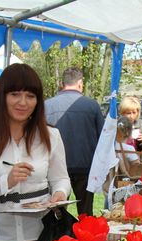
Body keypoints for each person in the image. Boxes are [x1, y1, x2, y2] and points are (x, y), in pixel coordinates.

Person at [0, 63, 71, 241]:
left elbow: (61, 178)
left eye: (30, 96)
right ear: (2, 96)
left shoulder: (51, 136)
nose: (23, 102)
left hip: (41, 237)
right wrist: (7, 181)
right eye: (15, 94)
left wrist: (60, 194)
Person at [45, 67, 103, 216]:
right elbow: (102, 138)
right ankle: (85, 238)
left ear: (62, 83)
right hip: (85, 167)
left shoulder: (47, 106)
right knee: (85, 212)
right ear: (80, 83)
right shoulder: (92, 105)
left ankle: (59, 238)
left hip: (56, 167)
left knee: (57, 212)